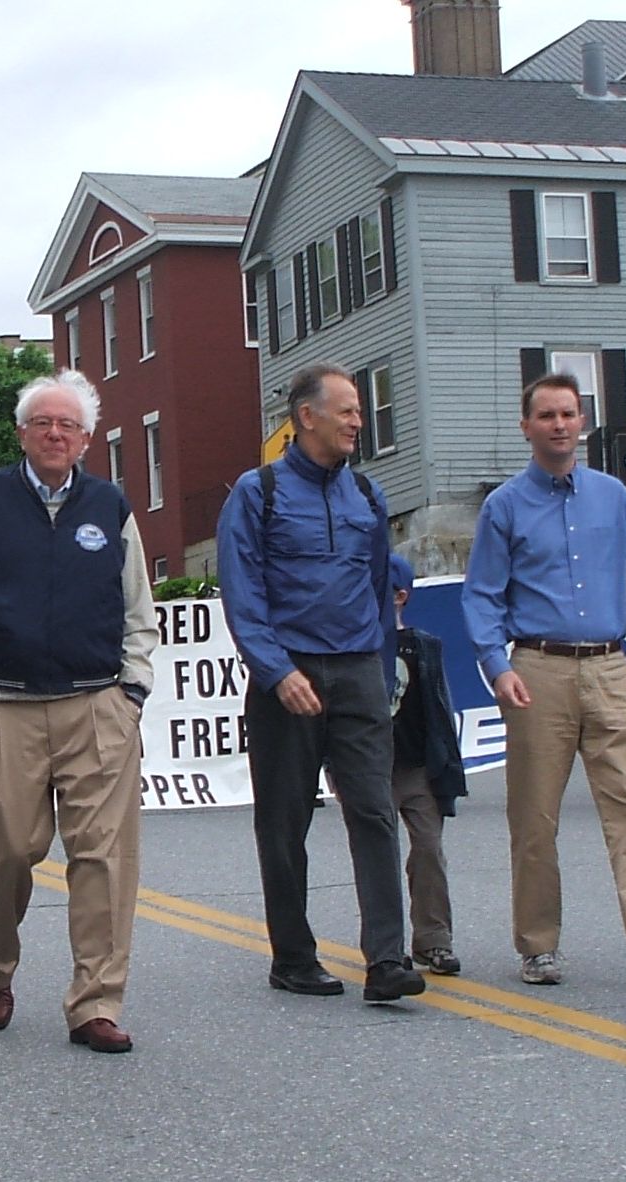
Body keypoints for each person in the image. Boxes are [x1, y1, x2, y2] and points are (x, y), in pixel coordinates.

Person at [0, 368, 157, 1054]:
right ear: (22, 433)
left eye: (69, 425)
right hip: (4, 708)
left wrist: (131, 692)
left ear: (85, 440)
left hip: (96, 708)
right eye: (42, 423)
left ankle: (95, 1002)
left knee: (104, 860)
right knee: (4, 854)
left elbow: (139, 610)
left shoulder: (109, 506)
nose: (55, 434)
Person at [463, 373, 626, 993]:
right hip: (537, 669)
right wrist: (498, 666)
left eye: (569, 414)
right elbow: (483, 595)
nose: (560, 425)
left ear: (583, 423)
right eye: (546, 415)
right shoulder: (505, 507)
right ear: (527, 427)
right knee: (535, 817)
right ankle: (538, 945)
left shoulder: (613, 498)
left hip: (610, 666)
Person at [216, 363, 425, 1005]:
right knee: (284, 822)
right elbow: (242, 590)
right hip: (291, 675)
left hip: (361, 669)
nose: (359, 421)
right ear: (307, 417)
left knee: (373, 810)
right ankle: (293, 957)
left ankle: (388, 960)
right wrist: (277, 672)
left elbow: (377, 578)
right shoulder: (259, 493)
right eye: (348, 410)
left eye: (360, 411)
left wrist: (386, 661)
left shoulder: (367, 494)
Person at [388, 555, 469, 975]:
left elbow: (440, 708)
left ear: (401, 596)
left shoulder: (422, 646)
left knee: (428, 850)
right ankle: (386, 947)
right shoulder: (355, 646)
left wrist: (448, 770)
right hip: (375, 767)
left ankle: (433, 940)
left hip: (418, 766)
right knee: (379, 856)